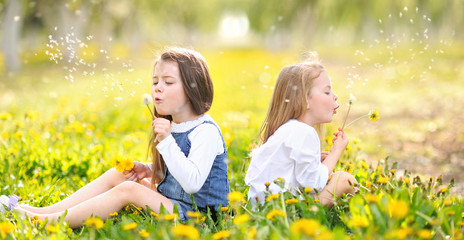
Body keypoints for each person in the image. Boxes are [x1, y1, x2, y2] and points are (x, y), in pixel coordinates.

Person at [1, 47, 230, 227]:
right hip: (175, 204)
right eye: (155, 81)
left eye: (168, 82)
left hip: (199, 218)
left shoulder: (205, 131)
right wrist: (150, 169)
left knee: (128, 190)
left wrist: (167, 142)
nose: (157, 88)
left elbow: (191, 183)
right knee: (120, 175)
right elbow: (177, 172)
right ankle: (43, 211)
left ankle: (41, 222)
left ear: (194, 88)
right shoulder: (173, 125)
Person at [245, 55, 357, 207]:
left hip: (263, 211)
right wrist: (336, 152)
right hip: (285, 213)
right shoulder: (304, 132)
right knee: (344, 180)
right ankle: (360, 216)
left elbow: (295, 175)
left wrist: (316, 162)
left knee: (334, 179)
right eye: (327, 92)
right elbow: (313, 183)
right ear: (304, 100)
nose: (335, 96)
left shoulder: (288, 129)